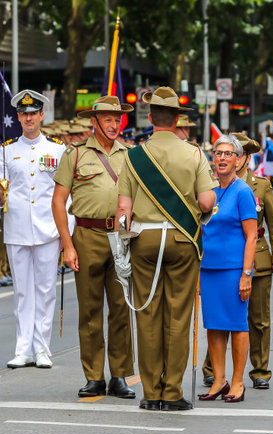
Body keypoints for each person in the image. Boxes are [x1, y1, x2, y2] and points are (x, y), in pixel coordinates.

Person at [116, 86, 218, 411]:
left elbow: (123, 212)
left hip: (144, 240)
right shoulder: (195, 154)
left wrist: (121, 248)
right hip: (180, 240)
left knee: (147, 315)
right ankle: (172, 393)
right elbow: (206, 201)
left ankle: (151, 393)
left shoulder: (133, 156)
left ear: (151, 118)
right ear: (176, 119)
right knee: (178, 316)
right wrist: (201, 213)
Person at [52, 95, 135, 398]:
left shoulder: (130, 154)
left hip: (121, 238)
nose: (115, 125)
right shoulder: (74, 155)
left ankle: (120, 375)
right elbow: (58, 201)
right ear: (95, 122)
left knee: (121, 309)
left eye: (118, 119)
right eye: (109, 119)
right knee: (89, 310)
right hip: (86, 236)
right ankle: (94, 376)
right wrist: (67, 245)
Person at [202, 132, 273, 390]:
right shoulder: (211, 188)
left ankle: (259, 370)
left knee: (256, 319)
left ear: (244, 158)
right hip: (216, 264)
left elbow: (272, 222)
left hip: (253, 257)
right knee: (218, 321)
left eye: (233, 154)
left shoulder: (257, 186)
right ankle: (214, 373)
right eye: (220, 154)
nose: (227, 159)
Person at [0, 89, 65, 369]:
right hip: (16, 228)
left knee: (46, 289)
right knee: (23, 292)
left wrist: (67, 234)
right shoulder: (6, 150)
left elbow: (66, 195)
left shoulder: (57, 149)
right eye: (23, 114)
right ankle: (23, 348)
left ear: (41, 115)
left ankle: (42, 348)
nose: (28, 118)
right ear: (18, 117)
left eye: (33, 113)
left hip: (48, 228)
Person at [198, 134, 257, 403]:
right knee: (214, 325)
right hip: (209, 268)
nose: (221, 158)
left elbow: (252, 236)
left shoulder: (243, 191)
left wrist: (246, 274)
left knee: (236, 324)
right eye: (217, 153)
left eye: (227, 154)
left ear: (237, 160)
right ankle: (218, 380)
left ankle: (237, 381)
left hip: (234, 269)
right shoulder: (209, 190)